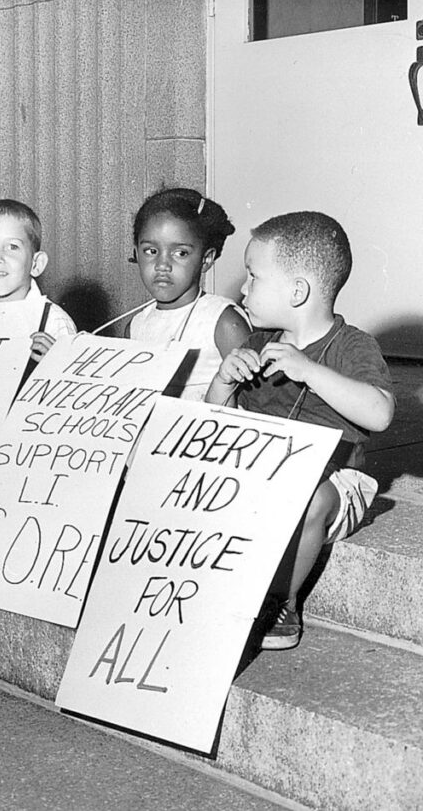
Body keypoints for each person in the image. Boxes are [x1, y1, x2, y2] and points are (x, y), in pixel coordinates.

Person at [205, 211, 395, 650]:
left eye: (253, 277)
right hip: (262, 470)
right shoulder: (255, 343)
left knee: (312, 495)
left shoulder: (352, 346)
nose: (243, 288)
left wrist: (309, 370)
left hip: (334, 481)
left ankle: (281, 599)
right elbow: (213, 425)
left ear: (297, 291)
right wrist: (223, 383)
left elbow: (380, 414)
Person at [125, 188, 251, 400]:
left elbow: (255, 404)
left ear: (206, 259)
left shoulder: (223, 322)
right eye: (151, 251)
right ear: (136, 253)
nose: (162, 265)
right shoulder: (136, 325)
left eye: (180, 253)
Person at [0, 199, 76, 361]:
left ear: (36, 264)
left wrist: (55, 365)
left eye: (12, 247)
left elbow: (68, 382)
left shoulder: (55, 323)